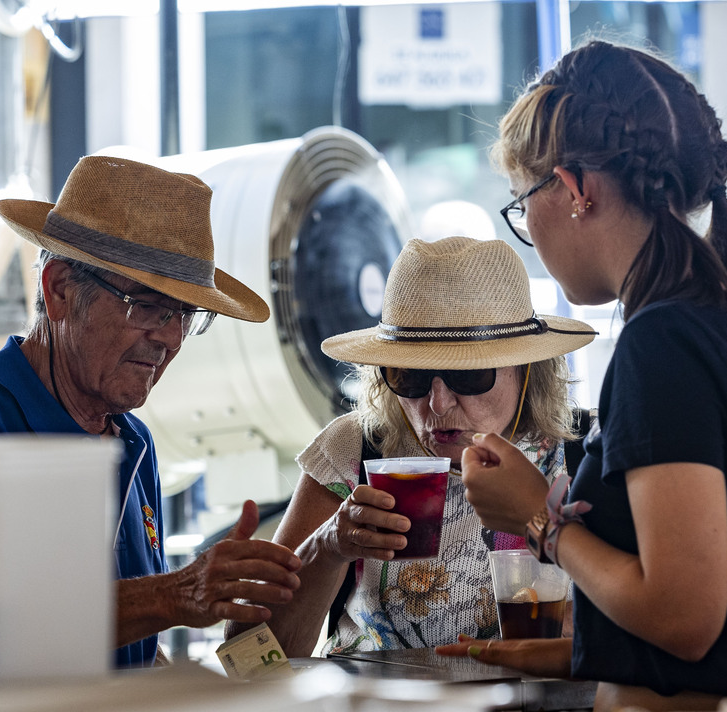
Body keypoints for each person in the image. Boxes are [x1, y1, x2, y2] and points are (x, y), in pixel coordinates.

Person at [440, 40, 727, 710]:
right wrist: (578, 653)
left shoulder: (664, 342)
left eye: (523, 203)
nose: (531, 231)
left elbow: (683, 619)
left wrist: (540, 520)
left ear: (573, 188)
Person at [0, 155, 302, 668]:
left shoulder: (134, 442)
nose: (170, 339)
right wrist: (175, 594)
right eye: (147, 307)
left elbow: (127, 650)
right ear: (58, 289)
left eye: (186, 317)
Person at [226, 236, 596, 657]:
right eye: (410, 377)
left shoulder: (586, 454)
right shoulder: (358, 448)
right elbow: (250, 657)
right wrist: (328, 548)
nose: (437, 404)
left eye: (469, 375)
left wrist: (593, 631)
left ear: (528, 368)